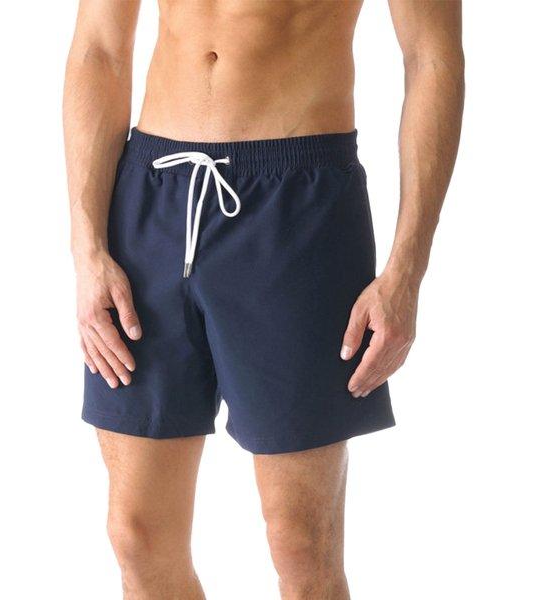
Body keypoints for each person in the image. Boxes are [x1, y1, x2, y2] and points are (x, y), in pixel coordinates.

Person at [63, 1, 464, 598]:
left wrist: (407, 271)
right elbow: (99, 48)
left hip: (297, 204)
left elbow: (432, 58)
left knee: (301, 545)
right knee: (137, 537)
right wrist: (87, 247)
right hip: (151, 200)